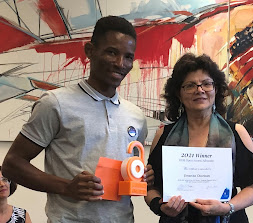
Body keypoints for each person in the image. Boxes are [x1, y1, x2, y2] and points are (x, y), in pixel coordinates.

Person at [2, 16, 154, 223]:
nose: (121, 63)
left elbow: (126, 173)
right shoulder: (55, 103)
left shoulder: (135, 115)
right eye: (112, 52)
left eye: (128, 57)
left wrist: (142, 176)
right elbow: (12, 164)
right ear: (90, 51)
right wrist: (66, 186)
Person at [145, 53, 253, 223]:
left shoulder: (236, 133)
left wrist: (227, 207)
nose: (200, 90)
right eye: (190, 85)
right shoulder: (164, 135)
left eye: (206, 84)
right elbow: (150, 187)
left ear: (216, 89)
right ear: (178, 94)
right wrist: (160, 207)